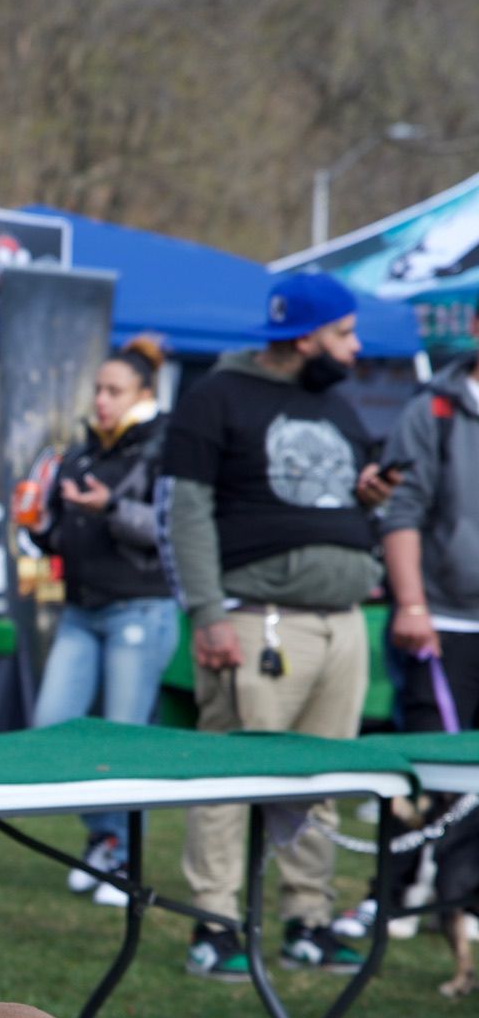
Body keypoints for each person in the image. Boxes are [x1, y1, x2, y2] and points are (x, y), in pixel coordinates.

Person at [157, 269, 396, 980]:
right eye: (343, 334)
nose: (354, 350)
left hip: (344, 624)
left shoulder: (339, 408)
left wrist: (370, 498)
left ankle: (309, 920)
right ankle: (216, 924)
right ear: (303, 337)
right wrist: (208, 614)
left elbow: (336, 500)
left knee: (318, 779)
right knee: (230, 776)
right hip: (257, 622)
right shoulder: (215, 397)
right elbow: (185, 514)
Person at [31, 334, 177, 907]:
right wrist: (41, 523)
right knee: (55, 726)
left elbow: (170, 529)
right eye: (98, 389)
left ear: (145, 394)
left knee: (123, 738)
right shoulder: (82, 449)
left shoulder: (165, 445)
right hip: (82, 608)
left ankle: (119, 851)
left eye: (114, 390)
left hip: (140, 608)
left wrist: (110, 508)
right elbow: (63, 531)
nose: (102, 400)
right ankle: (103, 836)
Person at [379, 330, 479, 914]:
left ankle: (461, 901)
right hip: (441, 620)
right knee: (427, 768)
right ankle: (393, 897)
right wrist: (412, 604)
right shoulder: (433, 410)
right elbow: (403, 511)